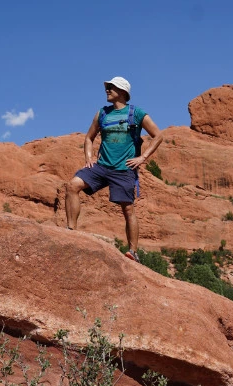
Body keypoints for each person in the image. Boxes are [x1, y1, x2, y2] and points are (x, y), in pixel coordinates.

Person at [65, 76, 163, 262]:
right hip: (101, 166)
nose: (107, 90)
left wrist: (142, 158)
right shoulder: (102, 113)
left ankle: (133, 252)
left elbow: (158, 136)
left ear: (123, 92)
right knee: (72, 186)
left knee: (128, 210)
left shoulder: (137, 113)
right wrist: (89, 158)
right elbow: (89, 138)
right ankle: (71, 231)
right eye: (107, 87)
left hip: (124, 169)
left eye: (111, 87)